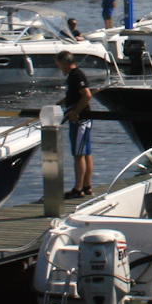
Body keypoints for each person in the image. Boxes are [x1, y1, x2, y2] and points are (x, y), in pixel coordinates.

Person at [57, 51, 93, 198]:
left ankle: (78, 189)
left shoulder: (76, 75)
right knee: (86, 153)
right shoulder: (72, 76)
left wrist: (76, 112)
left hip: (80, 120)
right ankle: (86, 186)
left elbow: (87, 95)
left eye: (59, 65)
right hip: (82, 118)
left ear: (65, 63)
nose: (59, 68)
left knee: (79, 154)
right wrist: (58, 104)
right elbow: (72, 96)